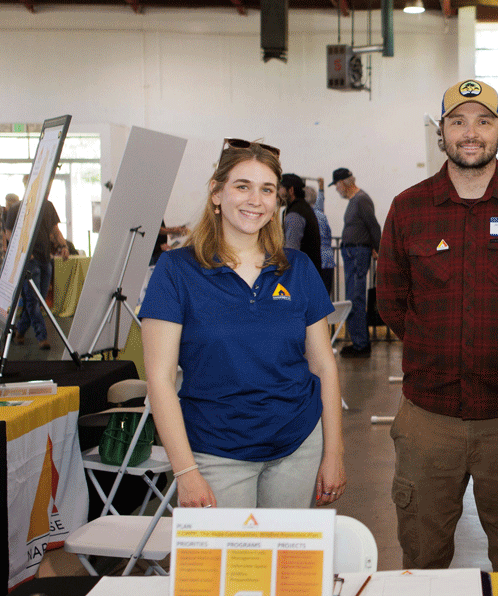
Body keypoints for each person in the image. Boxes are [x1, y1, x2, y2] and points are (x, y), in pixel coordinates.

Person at [377, 79, 498, 571]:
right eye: (457, 121)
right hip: (428, 419)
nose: (470, 132)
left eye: (484, 121)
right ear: (441, 133)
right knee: (422, 555)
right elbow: (393, 302)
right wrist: (437, 349)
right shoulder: (408, 208)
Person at [141, 139, 346, 510]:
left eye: (267, 189)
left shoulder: (297, 268)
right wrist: (185, 472)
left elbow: (323, 366)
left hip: (297, 445)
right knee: (230, 568)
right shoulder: (176, 271)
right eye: (242, 186)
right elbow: (159, 378)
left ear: (277, 200)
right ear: (217, 194)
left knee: (285, 564)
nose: (256, 199)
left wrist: (333, 452)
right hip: (216, 453)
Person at [6, 178, 69, 350]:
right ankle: (42, 337)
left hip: (45, 259)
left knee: (37, 301)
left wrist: (63, 245)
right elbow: (9, 234)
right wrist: (24, 253)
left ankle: (20, 330)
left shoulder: (48, 207)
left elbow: (55, 230)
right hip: (28, 262)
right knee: (33, 300)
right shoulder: (16, 209)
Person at [331, 166, 380, 357]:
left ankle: (361, 345)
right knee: (353, 299)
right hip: (354, 253)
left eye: (336, 185)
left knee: (356, 299)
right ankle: (358, 342)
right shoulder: (355, 201)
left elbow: (373, 226)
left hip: (358, 254)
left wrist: (379, 249)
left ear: (344, 183)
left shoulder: (361, 200)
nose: (336, 189)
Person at [278, 172, 322, 276]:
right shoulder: (304, 208)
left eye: (280, 188)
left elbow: (291, 250)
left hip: (301, 276)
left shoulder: (295, 214)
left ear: (291, 190)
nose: (277, 193)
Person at [307, 181, 336, 296]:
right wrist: (321, 190)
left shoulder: (305, 216)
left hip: (315, 262)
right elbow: (319, 204)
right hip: (328, 261)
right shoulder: (321, 215)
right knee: (325, 296)